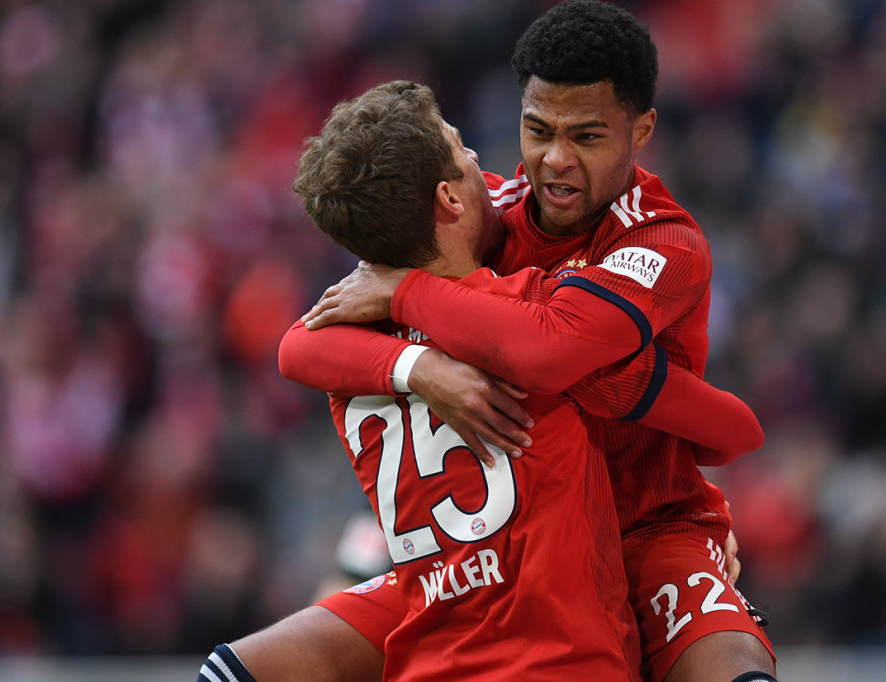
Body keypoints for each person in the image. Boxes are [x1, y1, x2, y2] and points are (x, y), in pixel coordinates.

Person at [272, 3, 778, 682]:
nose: (555, 160)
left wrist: (403, 296)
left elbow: (552, 353)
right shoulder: (485, 211)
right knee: (244, 666)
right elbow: (298, 347)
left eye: (588, 137)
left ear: (642, 130)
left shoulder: (661, 242)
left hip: (647, 532)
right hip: (509, 552)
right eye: (538, 130)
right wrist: (419, 367)